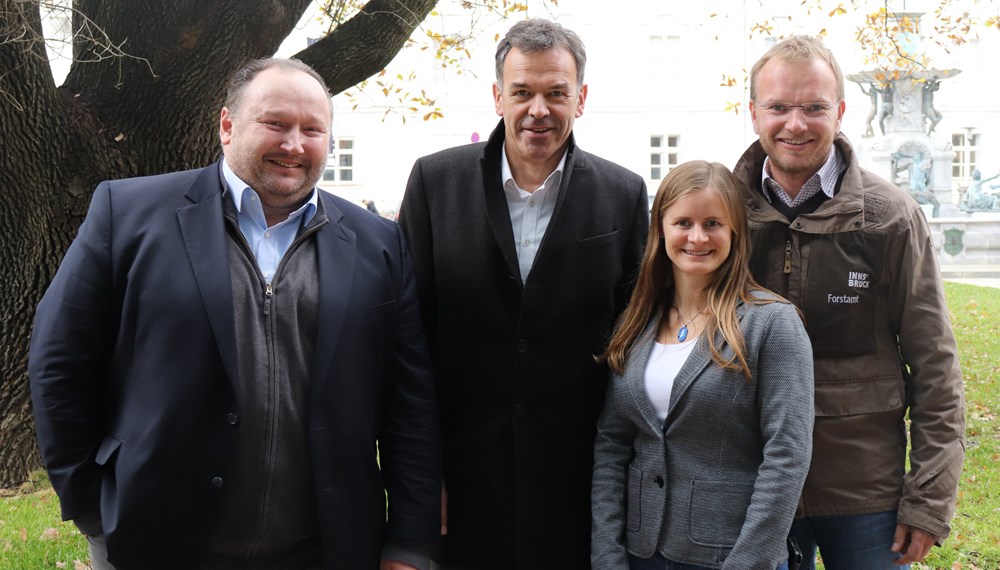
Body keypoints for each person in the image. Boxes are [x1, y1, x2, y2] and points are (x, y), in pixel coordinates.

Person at [29, 57, 441, 570]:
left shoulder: (379, 244)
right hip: (154, 541)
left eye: (312, 130)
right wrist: (93, 505)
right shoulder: (128, 215)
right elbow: (59, 362)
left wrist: (408, 542)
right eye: (275, 123)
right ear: (227, 125)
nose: (294, 144)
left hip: (325, 549)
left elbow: (410, 405)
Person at [399, 18, 649, 569]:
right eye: (522, 92)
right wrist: (420, 473)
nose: (539, 109)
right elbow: (409, 339)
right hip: (462, 481)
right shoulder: (435, 184)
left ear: (580, 99)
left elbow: (635, 335)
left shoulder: (623, 194)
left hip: (578, 480)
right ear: (497, 97)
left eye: (556, 93)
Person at [733, 36, 965, 570]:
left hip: (865, 496)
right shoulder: (722, 213)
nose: (796, 124)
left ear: (839, 112)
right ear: (754, 113)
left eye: (814, 107)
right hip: (752, 485)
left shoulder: (890, 217)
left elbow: (936, 365)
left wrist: (928, 500)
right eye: (779, 107)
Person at [591, 160, 815, 570]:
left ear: (735, 232)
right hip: (642, 554)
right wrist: (607, 554)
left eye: (713, 223)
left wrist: (748, 563)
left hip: (728, 555)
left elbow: (787, 455)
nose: (697, 237)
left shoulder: (771, 324)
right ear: (661, 229)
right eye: (683, 223)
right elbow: (612, 444)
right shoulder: (638, 322)